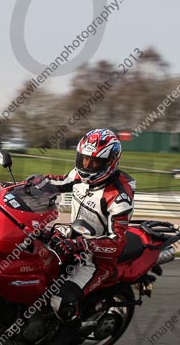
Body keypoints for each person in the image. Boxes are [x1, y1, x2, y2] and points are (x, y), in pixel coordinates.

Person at [32, 128, 135, 321]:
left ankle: (73, 328)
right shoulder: (80, 175)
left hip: (95, 260)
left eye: (94, 162)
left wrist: (83, 244)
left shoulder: (118, 197)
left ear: (110, 163)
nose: (86, 165)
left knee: (60, 302)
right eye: (83, 159)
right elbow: (56, 182)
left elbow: (118, 243)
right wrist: (22, 187)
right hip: (70, 240)